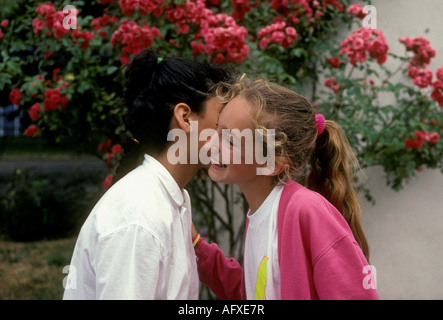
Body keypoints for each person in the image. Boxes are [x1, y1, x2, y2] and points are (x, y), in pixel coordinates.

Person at [63, 50, 235, 299]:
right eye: (222, 119)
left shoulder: (172, 198)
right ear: (185, 117)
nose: (232, 131)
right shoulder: (139, 219)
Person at [191, 77, 379, 300]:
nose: (211, 144)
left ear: (272, 163)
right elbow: (254, 294)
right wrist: (197, 247)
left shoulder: (305, 209)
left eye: (230, 140)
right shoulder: (262, 211)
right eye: (217, 130)